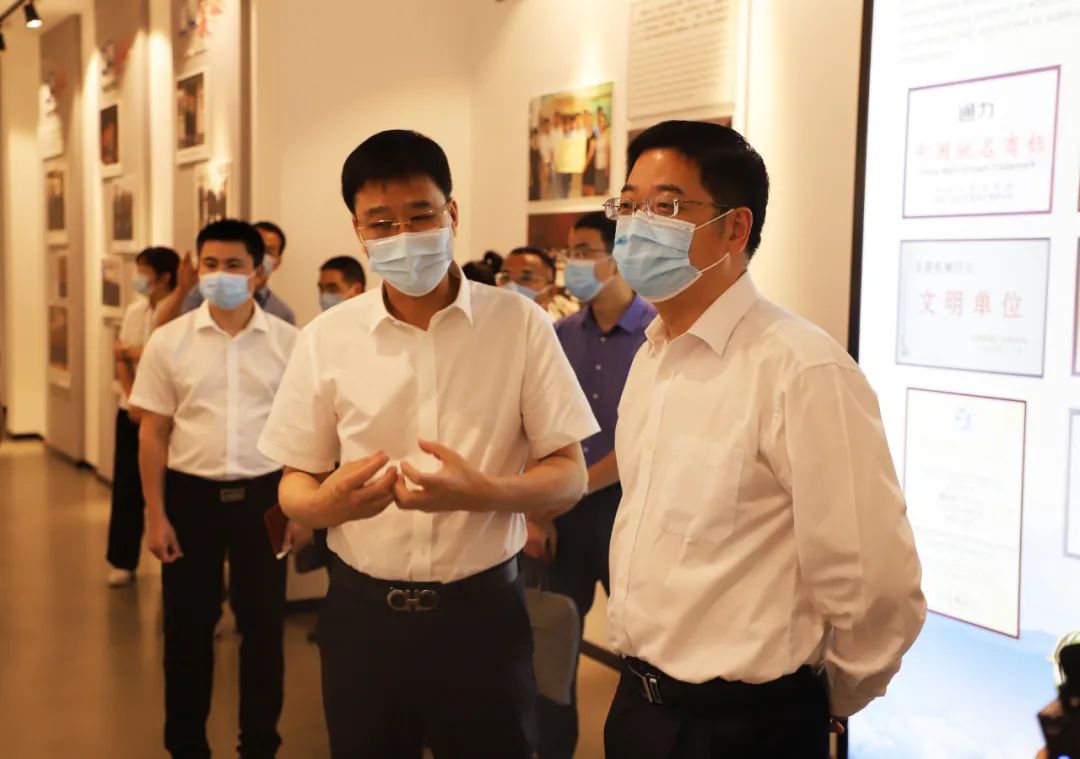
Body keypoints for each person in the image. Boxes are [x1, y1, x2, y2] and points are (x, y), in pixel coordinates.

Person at [257, 129, 599, 759]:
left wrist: (483, 492)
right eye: (381, 223)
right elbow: (294, 484)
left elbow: (570, 475)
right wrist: (327, 506)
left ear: (452, 213)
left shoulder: (518, 324)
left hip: (482, 615)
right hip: (362, 615)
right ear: (358, 230)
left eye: (420, 216)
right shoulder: (327, 337)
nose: (403, 235)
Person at [603, 121, 926, 758]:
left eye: (666, 206)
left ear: (734, 229)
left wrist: (828, 697)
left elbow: (875, 583)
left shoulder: (801, 369)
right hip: (637, 707)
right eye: (630, 205)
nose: (638, 226)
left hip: (745, 725)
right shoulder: (652, 357)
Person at [130, 219, 306, 759]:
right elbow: (153, 430)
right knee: (187, 632)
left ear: (258, 272)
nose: (220, 274)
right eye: (210, 264)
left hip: (266, 498)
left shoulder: (289, 342)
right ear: (197, 267)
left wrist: (300, 508)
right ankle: (186, 745)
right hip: (191, 499)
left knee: (264, 630)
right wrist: (155, 514)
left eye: (233, 265)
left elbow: (305, 433)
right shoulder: (169, 341)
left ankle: (260, 743)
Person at [524, 212, 655, 758]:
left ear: (618, 257)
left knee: (644, 649)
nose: (571, 263)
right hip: (563, 513)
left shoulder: (657, 335)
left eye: (583, 251)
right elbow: (538, 427)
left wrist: (568, 487)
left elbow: (642, 441)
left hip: (633, 512)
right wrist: (537, 511)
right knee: (550, 649)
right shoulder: (560, 335)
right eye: (569, 252)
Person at [106, 246, 179, 588]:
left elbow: (157, 359)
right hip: (130, 409)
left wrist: (136, 352)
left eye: (144, 271)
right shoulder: (135, 310)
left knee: (170, 491)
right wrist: (134, 397)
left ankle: (173, 557)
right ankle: (123, 560)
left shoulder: (178, 311)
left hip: (165, 416)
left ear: (165, 277)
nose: (138, 278)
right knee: (126, 488)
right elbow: (120, 356)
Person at [158, 221, 296, 327]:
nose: (221, 272)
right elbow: (165, 329)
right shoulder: (204, 290)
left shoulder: (282, 313)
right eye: (211, 264)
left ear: (277, 262)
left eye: (269, 251)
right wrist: (182, 290)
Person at [499, 246, 577, 320]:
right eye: (506, 277)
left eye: (526, 278)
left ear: (551, 292)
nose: (511, 286)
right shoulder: (493, 323)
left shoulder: (560, 328)